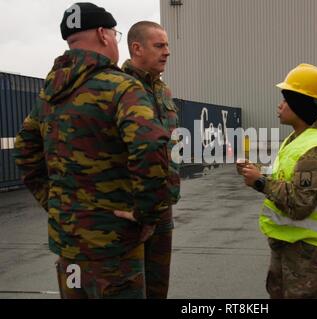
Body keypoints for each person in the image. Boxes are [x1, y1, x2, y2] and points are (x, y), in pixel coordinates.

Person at [13, 3, 170, 299]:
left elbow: (24, 151)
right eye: (114, 33)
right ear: (103, 34)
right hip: (115, 247)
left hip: (69, 247)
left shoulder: (50, 93)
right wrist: (146, 214)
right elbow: (150, 146)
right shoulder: (121, 87)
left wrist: (55, 204)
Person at [239, 64, 317, 299]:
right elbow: (287, 180)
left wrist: (260, 182)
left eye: (286, 100)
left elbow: (299, 202)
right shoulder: (296, 140)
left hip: (307, 251)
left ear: (301, 105)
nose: (280, 105)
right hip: (288, 243)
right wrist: (257, 173)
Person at [116, 21, 180, 299]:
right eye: (159, 45)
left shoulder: (162, 91)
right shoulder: (118, 89)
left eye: (167, 45)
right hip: (131, 207)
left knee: (157, 286)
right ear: (136, 48)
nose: (167, 51)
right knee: (130, 287)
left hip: (162, 202)